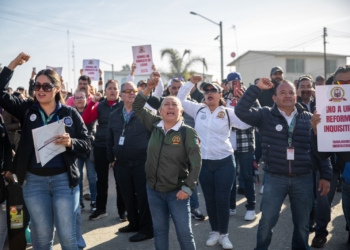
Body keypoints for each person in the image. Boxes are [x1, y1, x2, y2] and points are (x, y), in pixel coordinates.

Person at [0, 52, 91, 250]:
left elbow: (87, 142)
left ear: (57, 89)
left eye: (46, 86)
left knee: (68, 239)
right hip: (33, 183)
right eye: (37, 86)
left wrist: (71, 142)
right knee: (41, 240)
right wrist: (12, 65)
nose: (40, 90)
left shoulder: (69, 113)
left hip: (64, 183)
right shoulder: (27, 109)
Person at [235, 78, 332, 250]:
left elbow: (322, 150)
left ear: (296, 95)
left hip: (303, 178)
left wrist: (325, 175)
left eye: (291, 92)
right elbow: (241, 110)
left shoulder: (310, 118)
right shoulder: (264, 115)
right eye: (282, 92)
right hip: (274, 178)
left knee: (302, 225)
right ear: (274, 98)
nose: (287, 96)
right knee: (266, 222)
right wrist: (257, 88)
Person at [177, 75, 251, 249]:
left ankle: (224, 235)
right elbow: (180, 99)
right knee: (210, 200)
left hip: (224, 162)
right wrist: (191, 82)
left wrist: (243, 103)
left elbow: (247, 123)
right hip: (203, 163)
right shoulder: (198, 110)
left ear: (220, 95)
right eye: (206, 90)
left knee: (222, 200)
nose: (209, 93)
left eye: (213, 90)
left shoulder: (227, 112)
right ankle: (214, 231)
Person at [132, 72, 201, 250]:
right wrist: (148, 87)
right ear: (161, 110)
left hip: (177, 193)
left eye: (174, 104)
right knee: (160, 232)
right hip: (154, 191)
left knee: (184, 234)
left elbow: (196, 164)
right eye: (166, 104)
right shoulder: (154, 124)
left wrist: (188, 188)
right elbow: (138, 106)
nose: (170, 106)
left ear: (181, 110)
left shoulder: (187, 132)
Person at [146, 77, 205, 220]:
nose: (176, 90)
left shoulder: (193, 105)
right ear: (169, 89)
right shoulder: (165, 106)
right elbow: (147, 100)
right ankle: (172, 208)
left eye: (180, 87)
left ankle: (194, 207)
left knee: (189, 177)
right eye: (174, 87)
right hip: (170, 146)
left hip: (187, 145)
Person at [107, 82, 154, 242]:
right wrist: (111, 159)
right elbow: (110, 138)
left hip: (142, 163)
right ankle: (134, 223)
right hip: (121, 164)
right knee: (127, 197)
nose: (131, 93)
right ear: (121, 95)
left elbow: (155, 135)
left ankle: (147, 229)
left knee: (143, 197)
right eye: (127, 91)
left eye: (134, 90)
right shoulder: (114, 114)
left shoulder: (144, 113)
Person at [310, 65, 350, 249]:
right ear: (333, 84)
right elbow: (322, 152)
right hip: (332, 165)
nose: (346, 86)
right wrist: (317, 131)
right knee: (323, 199)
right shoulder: (326, 106)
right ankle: (320, 232)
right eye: (341, 82)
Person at [82, 80, 126, 221]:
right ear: (105, 91)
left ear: (119, 91)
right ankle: (101, 209)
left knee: (121, 180)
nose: (112, 91)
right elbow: (86, 119)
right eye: (110, 88)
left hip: (119, 147)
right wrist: (92, 103)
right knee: (101, 179)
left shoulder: (125, 105)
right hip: (101, 145)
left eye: (115, 88)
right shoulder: (100, 105)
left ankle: (123, 211)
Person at [225, 72, 257, 221]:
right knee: (230, 176)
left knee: (247, 175)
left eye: (238, 81)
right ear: (227, 84)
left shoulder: (249, 97)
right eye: (232, 82)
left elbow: (257, 115)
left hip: (245, 141)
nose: (235, 85)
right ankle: (231, 206)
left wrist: (244, 101)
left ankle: (251, 207)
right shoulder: (223, 98)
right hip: (228, 143)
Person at [73, 91, 97, 212]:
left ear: (86, 99)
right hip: (77, 149)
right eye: (77, 98)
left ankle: (94, 201)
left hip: (90, 148)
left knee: (92, 176)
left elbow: (91, 128)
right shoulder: (71, 112)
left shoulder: (91, 110)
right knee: (79, 176)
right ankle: (80, 203)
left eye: (82, 97)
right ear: (74, 100)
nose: (79, 100)